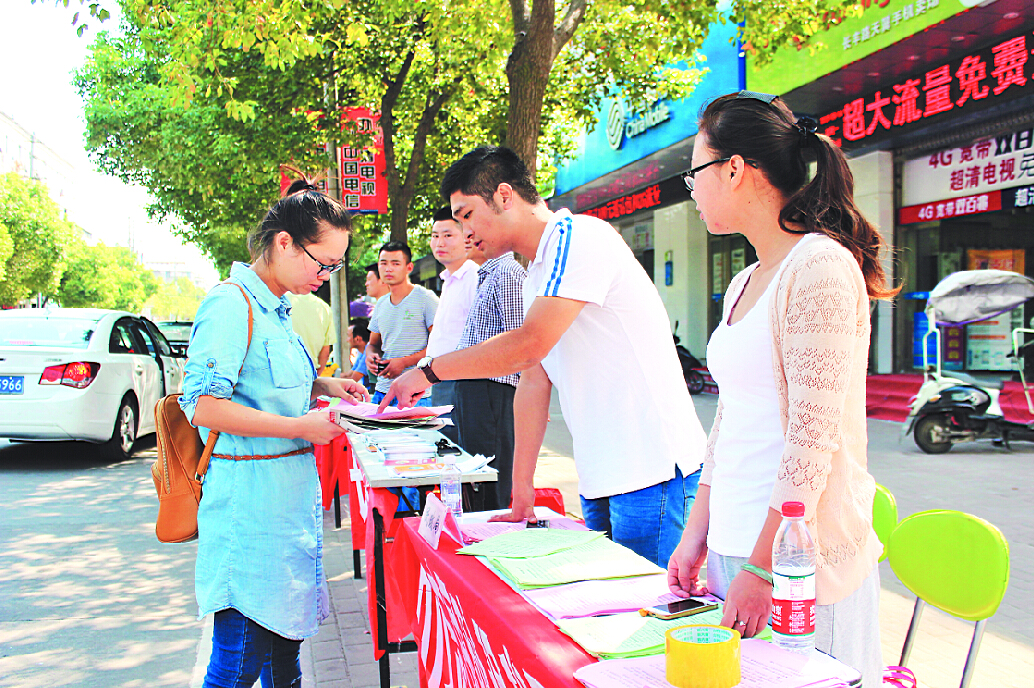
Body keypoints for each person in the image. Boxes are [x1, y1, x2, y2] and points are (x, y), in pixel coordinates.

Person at [379, 146, 707, 568]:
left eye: (466, 215)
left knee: (649, 615)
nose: (464, 233)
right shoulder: (538, 269)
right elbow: (534, 380)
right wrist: (521, 491)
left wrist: (428, 371)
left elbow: (528, 345)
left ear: (503, 195)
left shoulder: (580, 237)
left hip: (651, 470)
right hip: (602, 473)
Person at [666, 91, 894, 686]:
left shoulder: (818, 266)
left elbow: (810, 437)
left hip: (797, 567)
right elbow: (731, 420)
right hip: (735, 547)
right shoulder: (745, 279)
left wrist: (766, 568)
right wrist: (697, 533)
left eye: (695, 171)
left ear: (735, 169)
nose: (691, 190)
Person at [179, 178, 369, 688]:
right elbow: (203, 405)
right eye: (322, 263)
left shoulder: (279, 309)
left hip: (285, 512)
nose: (327, 276)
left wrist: (325, 385)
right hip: (249, 512)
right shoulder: (230, 303)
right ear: (284, 242)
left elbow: (266, 387)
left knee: (284, 663)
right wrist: (298, 426)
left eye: (335, 266)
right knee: (238, 665)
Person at [451, 226, 526, 510]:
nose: (468, 237)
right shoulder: (488, 275)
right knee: (476, 474)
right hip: (475, 390)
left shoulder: (507, 273)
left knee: (491, 474)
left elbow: (520, 341)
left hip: (492, 390)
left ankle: (493, 539)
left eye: (474, 227)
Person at [425, 205, 483, 440]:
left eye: (448, 235)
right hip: (440, 380)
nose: (440, 243)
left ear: (467, 237)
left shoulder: (475, 277)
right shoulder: (448, 279)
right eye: (435, 236)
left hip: (462, 382)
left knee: (460, 451)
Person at [366, 241, 439, 406]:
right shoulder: (381, 303)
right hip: (382, 391)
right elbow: (373, 344)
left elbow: (439, 346)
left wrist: (404, 362)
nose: (388, 268)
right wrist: (370, 356)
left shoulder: (426, 298)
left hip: (416, 394)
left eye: (395, 263)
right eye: (383, 263)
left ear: (409, 267)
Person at [286, 291, 334, 371]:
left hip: (281, 369)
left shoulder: (278, 301)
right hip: (309, 370)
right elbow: (325, 351)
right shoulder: (324, 307)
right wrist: (315, 377)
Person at [344, 319, 371, 387]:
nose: (347, 340)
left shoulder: (368, 354)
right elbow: (349, 374)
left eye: (348, 336)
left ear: (357, 339)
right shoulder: (362, 353)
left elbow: (353, 380)